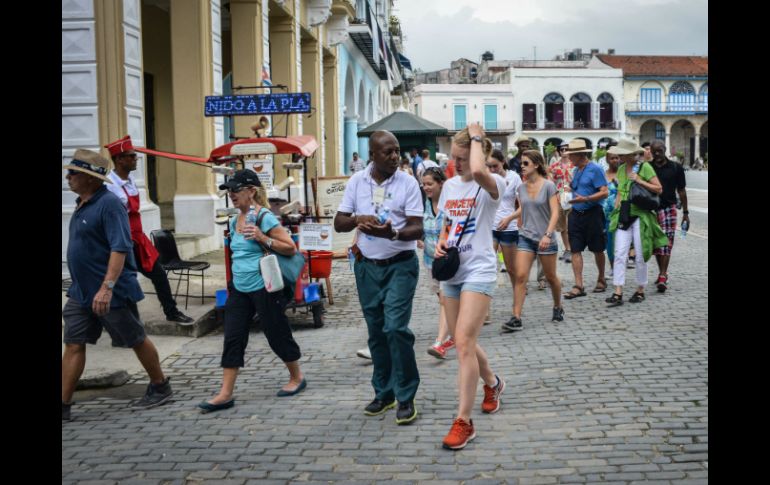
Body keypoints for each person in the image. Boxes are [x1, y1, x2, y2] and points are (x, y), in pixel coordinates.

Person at [62, 149, 173, 420]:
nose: (68, 177)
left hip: (110, 290)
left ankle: (160, 385)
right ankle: (63, 405)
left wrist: (106, 287)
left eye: (73, 173)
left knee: (134, 338)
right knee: (74, 343)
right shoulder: (82, 202)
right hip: (81, 291)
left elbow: (120, 247)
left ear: (90, 178)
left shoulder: (109, 204)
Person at [334, 130, 424, 426]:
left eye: (397, 150)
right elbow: (339, 223)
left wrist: (393, 233)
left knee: (396, 327)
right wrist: (360, 219)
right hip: (367, 267)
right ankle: (383, 392)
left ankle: (406, 395)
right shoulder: (357, 182)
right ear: (372, 155)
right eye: (388, 152)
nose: (395, 156)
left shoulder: (408, 182)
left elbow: (417, 227)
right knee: (376, 331)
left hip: (400, 265)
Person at [199, 170, 306, 413]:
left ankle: (296, 377)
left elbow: (290, 248)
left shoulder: (264, 217)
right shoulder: (234, 219)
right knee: (233, 336)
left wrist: (261, 237)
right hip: (240, 288)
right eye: (229, 191)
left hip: (264, 287)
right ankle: (225, 393)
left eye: (236, 190)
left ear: (252, 191)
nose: (232, 195)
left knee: (275, 331)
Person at [434, 124, 507, 450]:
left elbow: (478, 171)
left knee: (462, 341)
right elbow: (447, 224)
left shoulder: (493, 183)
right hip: (452, 271)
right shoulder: (449, 186)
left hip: (479, 270)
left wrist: (477, 137)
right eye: (454, 157)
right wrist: (440, 243)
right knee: (462, 339)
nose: (458, 164)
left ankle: (464, 421)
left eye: (462, 158)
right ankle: (492, 382)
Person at [104, 136, 194, 324]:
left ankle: (171, 312)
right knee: (122, 280)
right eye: (131, 156)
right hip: (121, 241)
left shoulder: (130, 182)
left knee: (158, 274)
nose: (136, 159)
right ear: (119, 159)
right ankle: (115, 319)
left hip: (138, 239)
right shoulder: (109, 186)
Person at [502, 149, 564, 332]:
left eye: (526, 163)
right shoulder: (520, 188)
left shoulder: (549, 186)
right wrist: (509, 218)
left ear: (536, 165)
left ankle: (557, 306)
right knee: (520, 276)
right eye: (521, 163)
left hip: (545, 238)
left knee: (551, 277)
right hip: (526, 236)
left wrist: (548, 234)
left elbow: (555, 212)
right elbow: (525, 208)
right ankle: (516, 317)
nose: (522, 167)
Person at [606, 140, 668, 307]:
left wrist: (639, 180)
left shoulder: (644, 167)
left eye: (622, 153)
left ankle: (640, 290)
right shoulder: (620, 169)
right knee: (619, 253)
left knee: (640, 255)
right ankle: (618, 291)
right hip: (624, 215)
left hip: (641, 215)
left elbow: (659, 189)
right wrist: (615, 211)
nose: (619, 156)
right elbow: (620, 192)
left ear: (630, 154)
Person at [563, 139, 609, 299]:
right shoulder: (576, 170)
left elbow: (604, 192)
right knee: (575, 249)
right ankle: (578, 285)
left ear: (580, 155)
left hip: (593, 213)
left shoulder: (595, 169)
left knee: (597, 249)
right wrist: (568, 190)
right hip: (575, 214)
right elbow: (576, 189)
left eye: (571, 156)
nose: (568, 158)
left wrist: (586, 198)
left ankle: (601, 278)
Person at [418, 167, 454, 359]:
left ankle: (440, 341)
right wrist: (420, 237)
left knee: (444, 299)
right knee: (444, 299)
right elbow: (420, 226)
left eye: (430, 184)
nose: (426, 188)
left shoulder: (450, 204)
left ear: (441, 183)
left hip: (448, 261)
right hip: (430, 261)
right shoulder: (424, 204)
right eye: (424, 184)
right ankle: (455, 332)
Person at [487, 149, 522, 327]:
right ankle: (485, 312)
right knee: (487, 268)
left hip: (509, 227)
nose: (492, 169)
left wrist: (509, 218)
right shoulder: (487, 177)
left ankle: (517, 309)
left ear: (503, 162)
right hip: (489, 228)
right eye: (489, 166)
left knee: (512, 271)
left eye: (495, 165)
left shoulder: (514, 177)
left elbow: (523, 206)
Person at [649, 140, 689, 293]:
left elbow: (682, 191)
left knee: (666, 243)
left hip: (669, 208)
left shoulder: (675, 167)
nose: (657, 154)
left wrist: (685, 213)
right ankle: (662, 273)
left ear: (665, 149)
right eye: (654, 152)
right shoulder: (648, 167)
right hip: (652, 210)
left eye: (659, 151)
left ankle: (663, 275)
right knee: (657, 245)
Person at [548, 143, 574, 264]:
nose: (564, 151)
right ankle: (567, 249)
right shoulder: (554, 166)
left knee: (571, 226)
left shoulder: (575, 165)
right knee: (562, 226)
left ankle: (573, 249)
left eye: (566, 149)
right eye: (561, 149)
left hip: (573, 197)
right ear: (558, 151)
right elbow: (550, 180)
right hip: (559, 197)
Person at [602, 149, 621, 278]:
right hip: (605, 214)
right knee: (609, 243)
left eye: (617, 158)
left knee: (619, 243)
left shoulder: (623, 174)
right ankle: (613, 267)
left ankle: (620, 266)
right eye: (612, 158)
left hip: (619, 213)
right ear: (607, 160)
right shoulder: (603, 175)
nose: (615, 160)